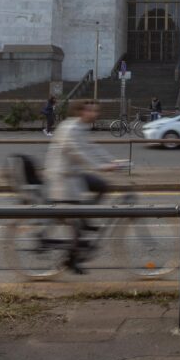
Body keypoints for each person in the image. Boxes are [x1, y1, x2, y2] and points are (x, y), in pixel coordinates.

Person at [43, 99, 124, 273]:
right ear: (80, 112)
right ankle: (71, 261)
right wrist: (100, 167)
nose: (94, 114)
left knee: (102, 186)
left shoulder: (81, 127)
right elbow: (75, 152)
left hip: (74, 175)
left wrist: (112, 161)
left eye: (95, 110)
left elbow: (91, 148)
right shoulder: (70, 128)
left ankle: (86, 217)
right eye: (90, 111)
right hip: (62, 178)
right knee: (75, 223)